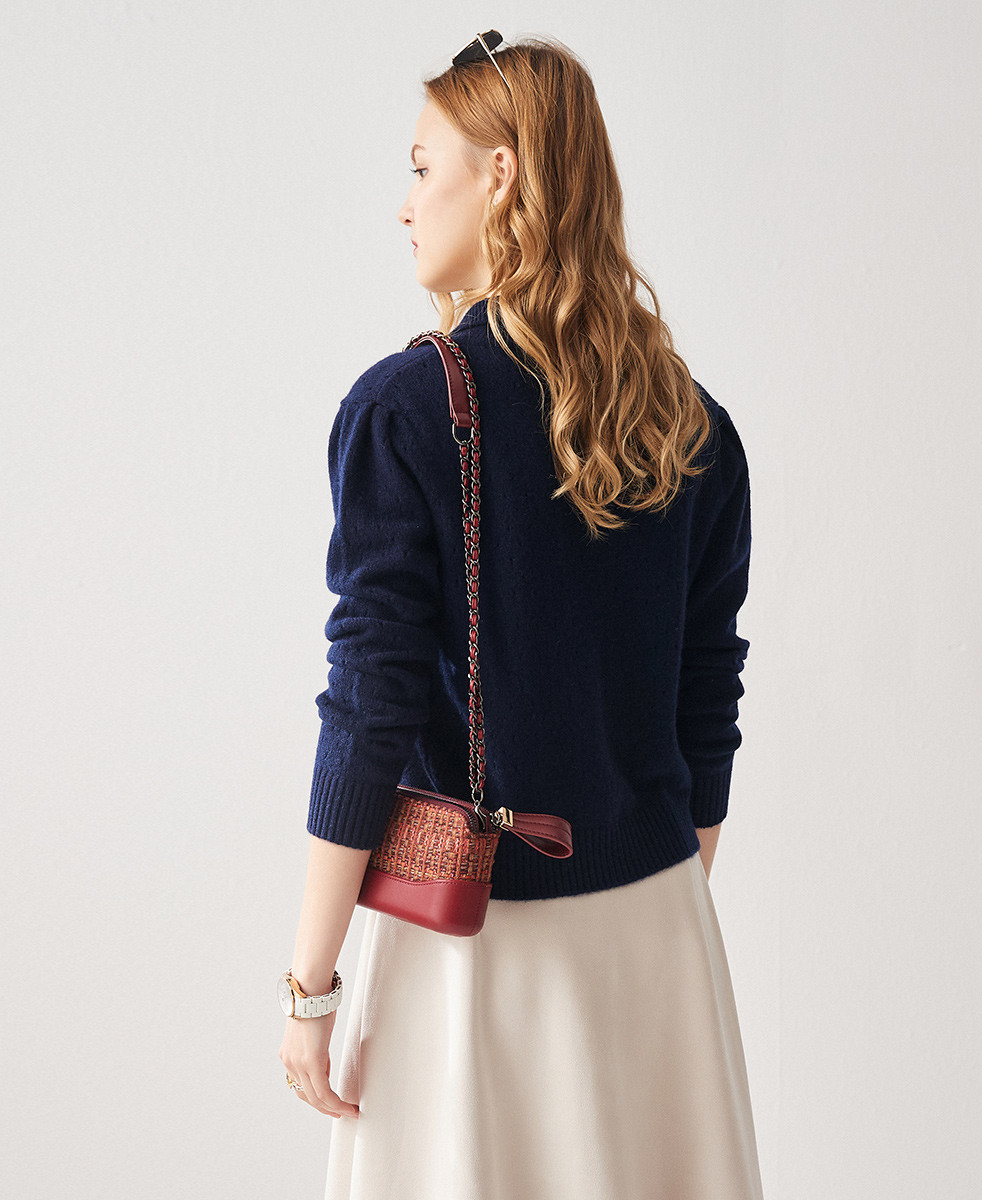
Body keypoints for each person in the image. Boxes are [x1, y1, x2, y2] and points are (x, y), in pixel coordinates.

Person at [279, 31, 764, 1200]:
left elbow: (371, 706)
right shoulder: (692, 422)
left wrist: (310, 987)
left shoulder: (404, 409)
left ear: (500, 175)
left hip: (468, 953)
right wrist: (649, 896)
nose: (405, 205)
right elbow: (708, 700)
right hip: (660, 934)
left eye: (421, 167)